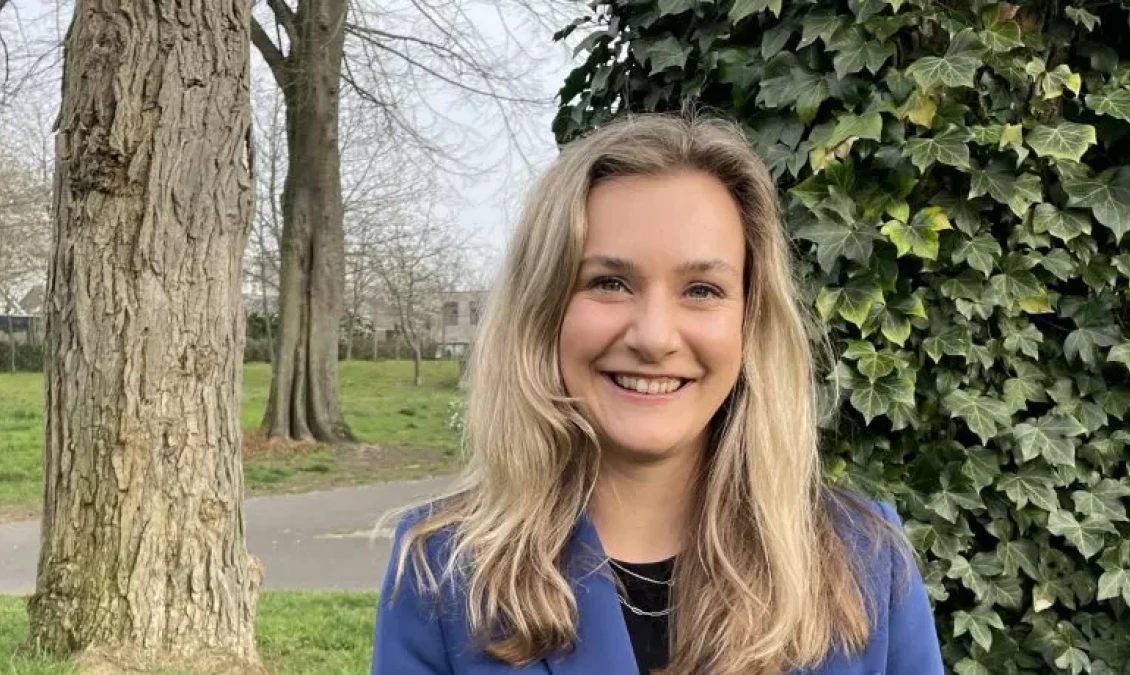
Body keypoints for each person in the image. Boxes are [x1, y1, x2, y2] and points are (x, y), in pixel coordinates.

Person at [371, 113, 943, 674]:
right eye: (609, 283)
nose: (654, 338)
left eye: (702, 289)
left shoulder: (868, 561)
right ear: (543, 310)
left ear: (750, 321)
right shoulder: (442, 573)